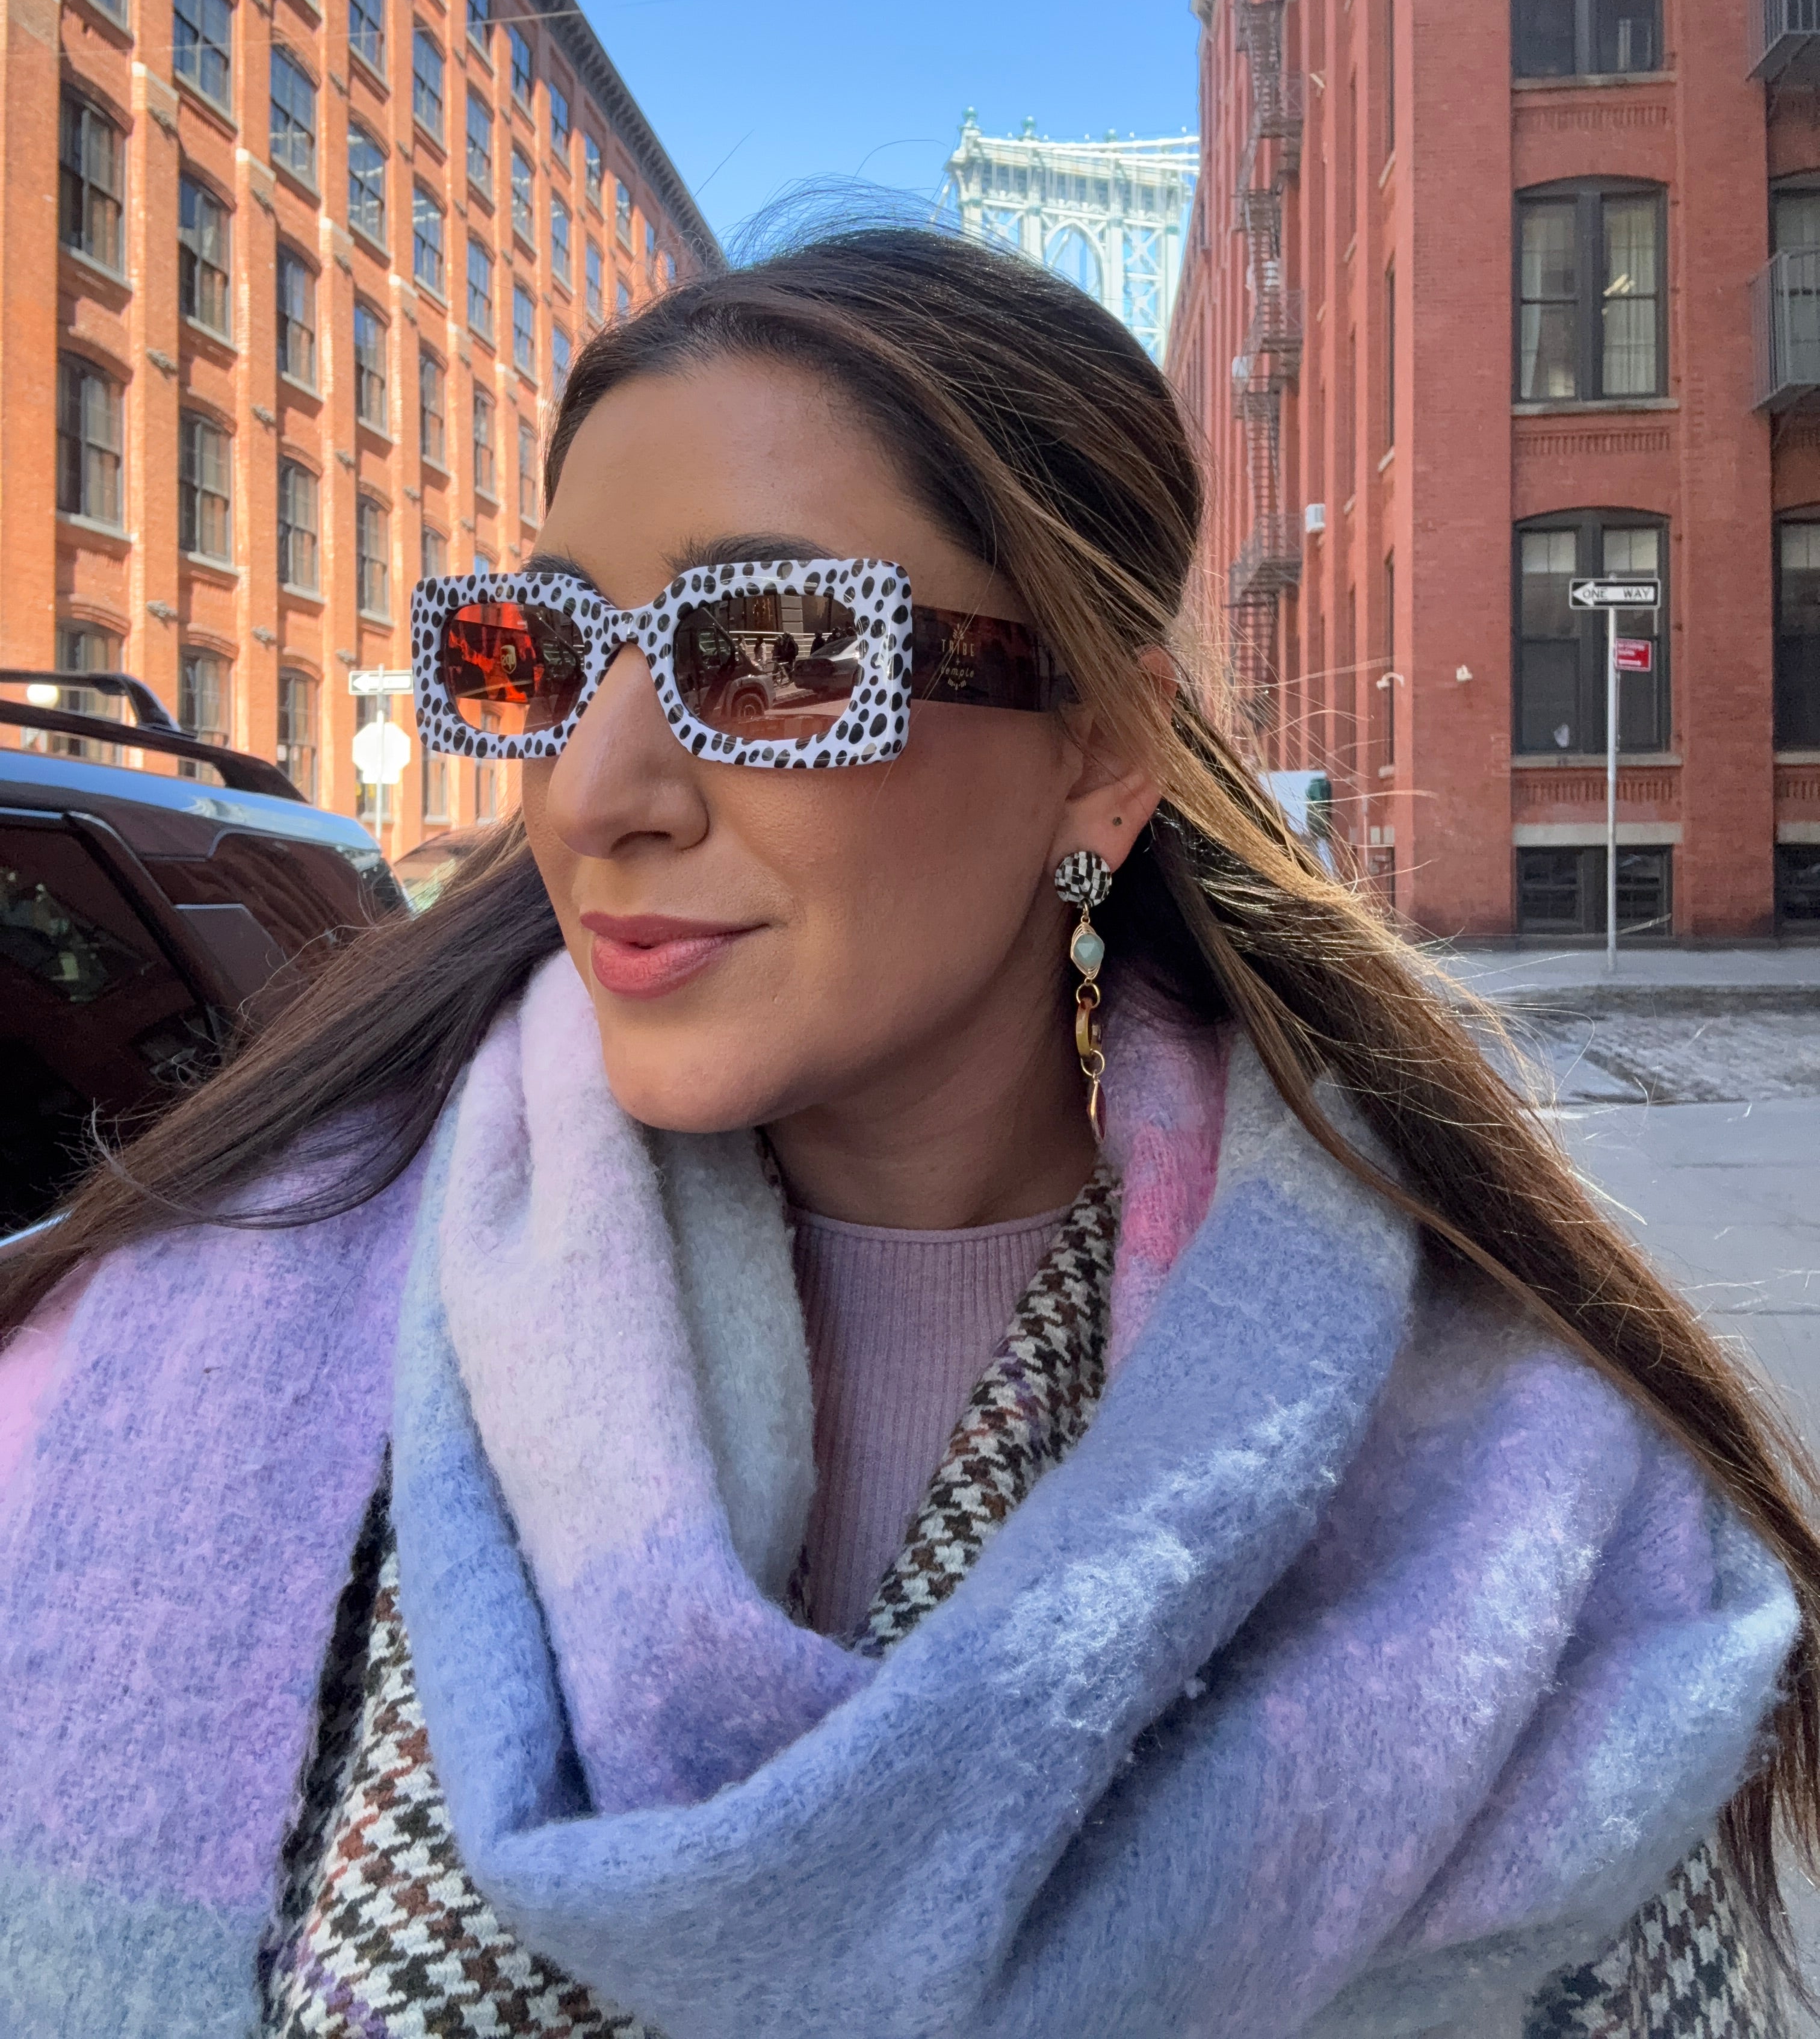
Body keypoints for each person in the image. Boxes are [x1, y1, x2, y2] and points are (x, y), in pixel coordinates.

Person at [0, 226, 1815, 2039]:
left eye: (774, 652)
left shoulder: (1510, 1497)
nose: (593, 792)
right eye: (538, 654)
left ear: (1098, 753)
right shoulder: (196, 1332)